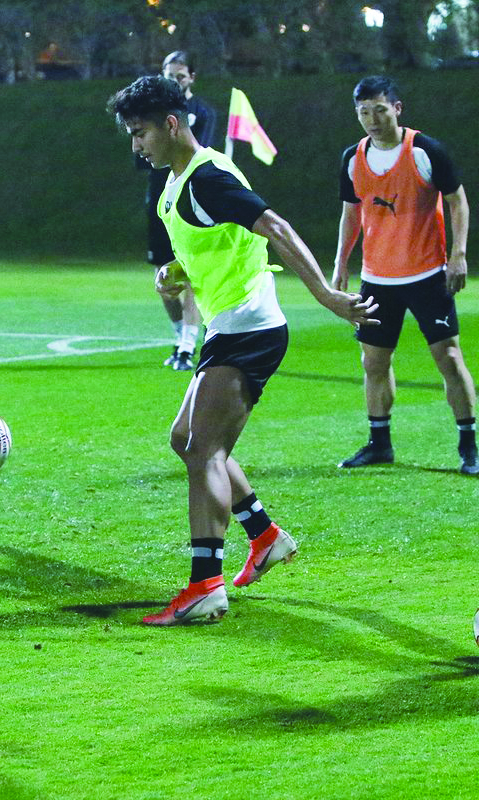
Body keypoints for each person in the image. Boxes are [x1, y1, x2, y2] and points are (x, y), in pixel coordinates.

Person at [107, 76, 377, 625]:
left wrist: (325, 293)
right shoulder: (176, 184)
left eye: (141, 134)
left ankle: (205, 586)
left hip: (249, 328)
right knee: (186, 439)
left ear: (171, 124)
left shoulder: (206, 176)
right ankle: (266, 535)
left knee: (204, 448)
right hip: (229, 327)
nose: (137, 146)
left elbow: (272, 225)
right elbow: (222, 244)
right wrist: (175, 272)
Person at [331, 75, 475, 474]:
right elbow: (351, 213)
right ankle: (380, 444)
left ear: (397, 108)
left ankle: (469, 445)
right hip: (377, 279)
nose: (372, 119)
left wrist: (458, 255)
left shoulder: (425, 151)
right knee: (373, 362)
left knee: (448, 357)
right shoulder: (352, 158)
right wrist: (341, 264)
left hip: (428, 274)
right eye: (363, 112)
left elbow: (457, 201)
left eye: (379, 109)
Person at [140, 51, 218, 372]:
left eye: (180, 75)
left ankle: (187, 347)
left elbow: (201, 153)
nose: (174, 80)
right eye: (168, 74)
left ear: (191, 78)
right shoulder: (152, 116)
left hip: (191, 200)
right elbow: (140, 158)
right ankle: (180, 337)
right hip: (160, 201)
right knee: (163, 275)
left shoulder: (202, 113)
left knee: (188, 275)